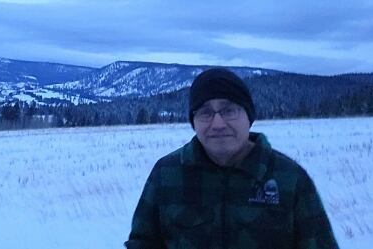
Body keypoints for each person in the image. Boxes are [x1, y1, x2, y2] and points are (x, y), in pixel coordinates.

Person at [125, 67, 339, 249]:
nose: (217, 124)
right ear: (194, 121)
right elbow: (142, 243)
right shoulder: (167, 174)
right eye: (205, 113)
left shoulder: (289, 179)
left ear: (249, 117)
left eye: (229, 111)